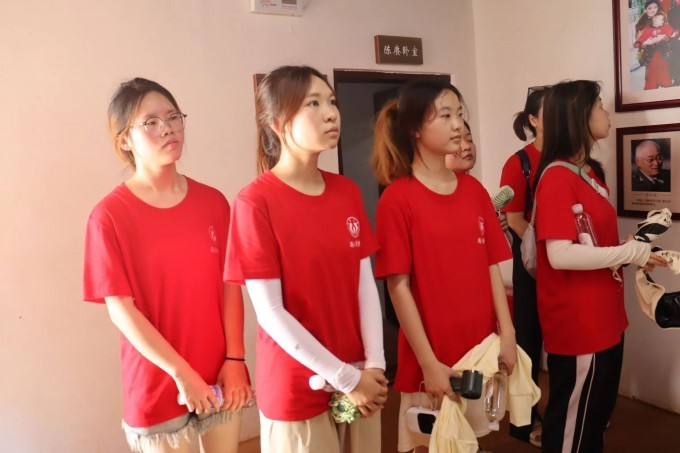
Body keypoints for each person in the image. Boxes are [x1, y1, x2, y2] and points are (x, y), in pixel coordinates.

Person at [224, 65, 388, 453]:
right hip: (298, 389)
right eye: (313, 104)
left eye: (331, 101)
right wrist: (346, 379)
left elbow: (365, 284)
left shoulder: (346, 191)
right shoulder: (255, 202)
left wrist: (375, 366)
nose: (331, 113)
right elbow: (271, 312)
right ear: (279, 123)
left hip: (361, 379)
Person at [83, 78, 252, 453]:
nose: (168, 128)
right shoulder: (108, 216)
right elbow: (122, 311)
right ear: (125, 140)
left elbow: (230, 287)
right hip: (158, 381)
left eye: (174, 117)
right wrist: (182, 373)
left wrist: (235, 358)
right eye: (151, 122)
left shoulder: (213, 203)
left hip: (221, 372)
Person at [371, 79, 517, 452]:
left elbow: (490, 265)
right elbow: (398, 287)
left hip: (479, 349)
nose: (457, 125)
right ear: (415, 129)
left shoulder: (474, 190)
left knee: (470, 441)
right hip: (433, 356)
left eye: (460, 114)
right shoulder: (397, 199)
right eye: (445, 115)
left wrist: (508, 333)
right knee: (433, 443)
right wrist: (428, 363)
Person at [532, 80, 667, 453]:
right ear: (579, 117)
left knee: (594, 419)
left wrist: (633, 250)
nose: (607, 113)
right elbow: (561, 254)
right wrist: (629, 254)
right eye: (600, 106)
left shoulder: (587, 172)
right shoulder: (557, 177)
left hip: (604, 315)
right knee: (572, 425)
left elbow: (592, 241)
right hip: (580, 323)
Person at [498, 85, 547, 447]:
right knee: (528, 342)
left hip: (563, 263)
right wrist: (543, 252)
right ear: (533, 119)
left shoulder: (569, 157)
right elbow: (513, 219)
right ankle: (523, 419)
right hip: (531, 263)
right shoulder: (519, 163)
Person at [636, 12, 675, 89]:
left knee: (664, 71)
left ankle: (667, 85)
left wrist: (669, 35)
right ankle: (651, 86)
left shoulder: (665, 27)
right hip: (651, 54)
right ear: (654, 19)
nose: (663, 21)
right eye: (661, 19)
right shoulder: (647, 29)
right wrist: (639, 43)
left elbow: (671, 32)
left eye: (663, 19)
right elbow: (642, 38)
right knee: (651, 72)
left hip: (663, 54)